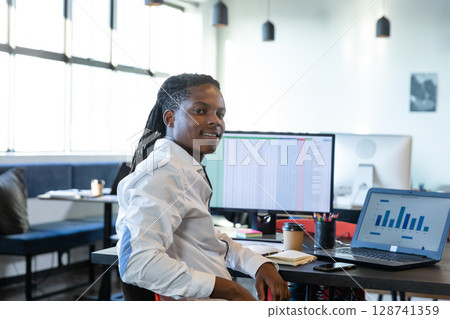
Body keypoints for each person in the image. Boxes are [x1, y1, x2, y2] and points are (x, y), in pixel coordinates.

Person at [115, 73, 290, 301]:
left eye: (220, 114)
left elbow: (202, 238)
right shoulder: (163, 173)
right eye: (200, 111)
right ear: (170, 119)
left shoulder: (183, 167)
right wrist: (232, 290)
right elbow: (136, 263)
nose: (215, 120)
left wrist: (258, 263)